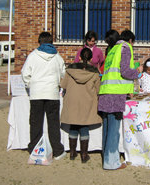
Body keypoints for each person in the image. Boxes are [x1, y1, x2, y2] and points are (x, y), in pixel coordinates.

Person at [98, 29, 143, 170]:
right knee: (114, 128)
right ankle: (111, 162)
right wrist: (138, 71)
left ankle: (107, 156)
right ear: (130, 40)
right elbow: (125, 71)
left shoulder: (112, 49)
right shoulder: (125, 47)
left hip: (105, 91)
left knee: (107, 126)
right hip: (116, 92)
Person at [21, 32, 66, 160]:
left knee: (35, 123)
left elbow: (25, 74)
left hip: (36, 94)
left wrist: (30, 85)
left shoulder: (33, 56)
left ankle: (34, 149)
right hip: (52, 93)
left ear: (39, 42)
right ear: (51, 42)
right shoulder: (57, 57)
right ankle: (57, 150)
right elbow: (63, 74)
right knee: (53, 124)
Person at [60, 48, 102, 163]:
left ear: (79, 57)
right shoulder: (94, 72)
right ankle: (84, 154)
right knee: (84, 127)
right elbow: (98, 90)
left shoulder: (70, 70)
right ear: (91, 58)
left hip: (72, 101)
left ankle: (72, 153)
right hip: (87, 102)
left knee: (73, 126)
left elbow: (63, 85)